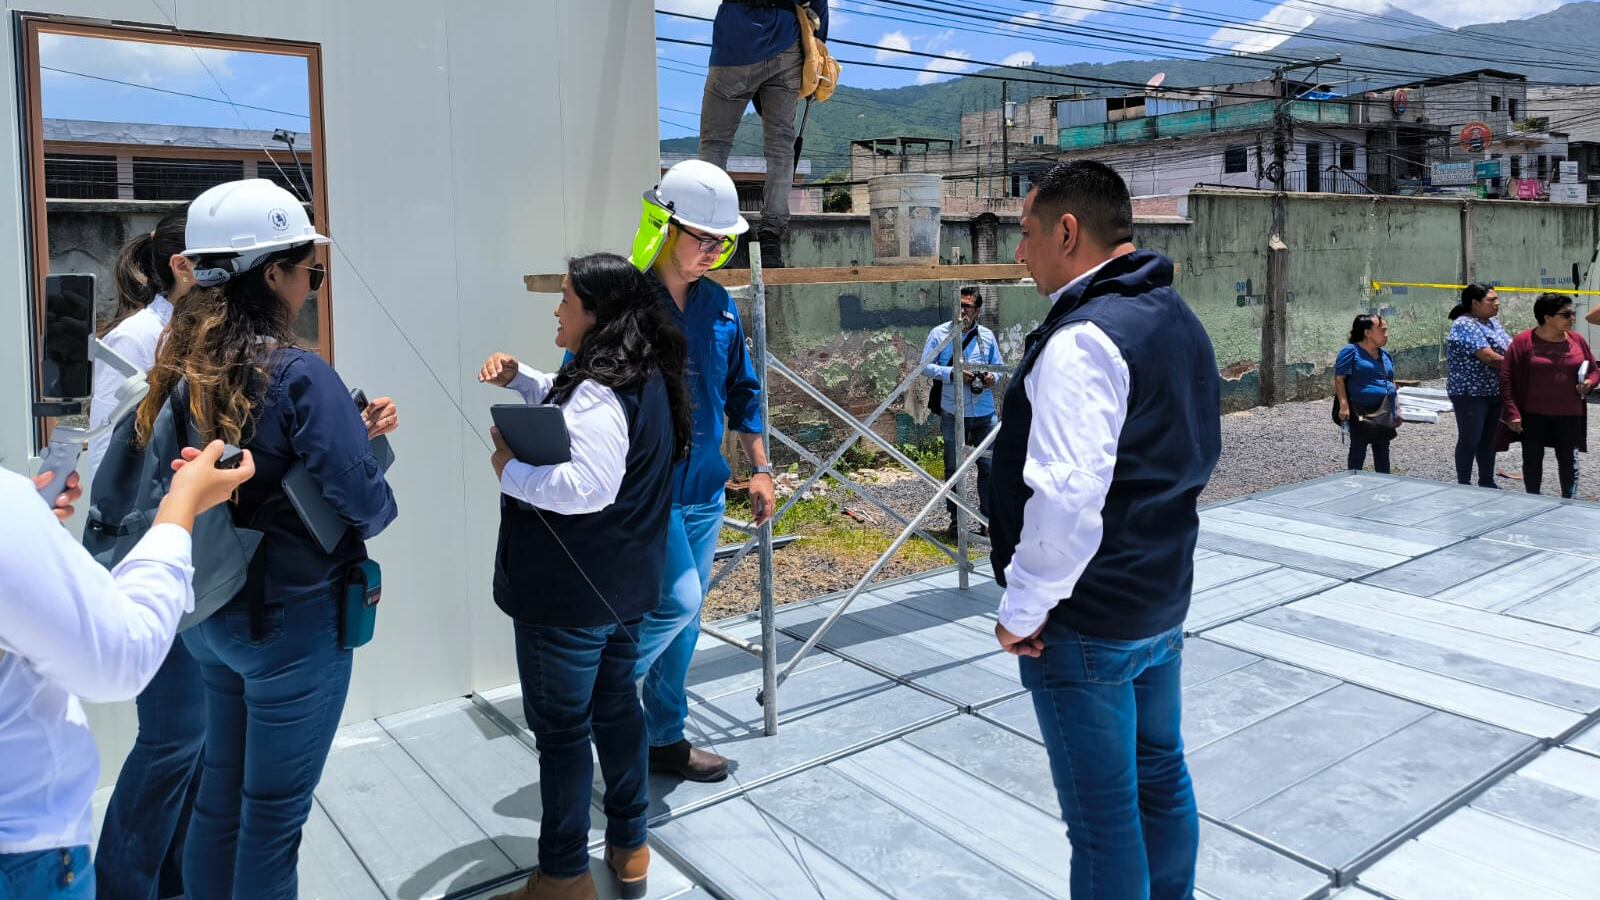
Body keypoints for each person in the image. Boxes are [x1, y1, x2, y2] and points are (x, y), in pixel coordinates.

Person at [142, 179, 399, 900]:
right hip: (292, 624)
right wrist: (362, 450)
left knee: (219, 802)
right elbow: (366, 505)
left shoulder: (179, 364)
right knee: (273, 819)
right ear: (272, 275)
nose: (312, 284)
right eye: (309, 271)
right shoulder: (297, 373)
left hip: (208, 612)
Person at [990, 160, 1221, 900]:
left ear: (1067, 231)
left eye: (1027, 236)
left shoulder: (1082, 340)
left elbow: (1065, 500)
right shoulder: (1175, 316)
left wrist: (1023, 608)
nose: (1020, 254)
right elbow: (1194, 454)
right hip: (1159, 597)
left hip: (1084, 621)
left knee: (1103, 819)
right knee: (1160, 777)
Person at [479, 252, 692, 900]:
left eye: (567, 298)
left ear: (596, 314)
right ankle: (630, 848)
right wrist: (523, 381)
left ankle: (564, 874)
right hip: (623, 591)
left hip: (569, 600)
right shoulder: (643, 374)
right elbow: (581, 412)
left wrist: (508, 470)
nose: (557, 307)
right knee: (615, 710)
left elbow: (586, 486)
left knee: (564, 733)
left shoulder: (601, 389)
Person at [1, 446, 255, 900]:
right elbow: (122, 658)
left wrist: (29, 539)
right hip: (22, 858)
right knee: (176, 741)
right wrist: (183, 507)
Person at [634, 160, 774, 783]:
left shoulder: (718, 306)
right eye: (703, 237)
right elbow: (576, 388)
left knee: (685, 625)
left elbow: (744, 392)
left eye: (723, 241)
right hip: (646, 495)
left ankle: (662, 740)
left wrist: (762, 469)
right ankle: (590, 701)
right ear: (664, 227)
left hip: (704, 493)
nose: (715, 250)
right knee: (670, 604)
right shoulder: (625, 303)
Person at [89, 209, 208, 900]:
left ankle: (177, 882)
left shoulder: (200, 337)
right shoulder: (138, 338)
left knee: (196, 743)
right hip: (152, 556)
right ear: (182, 267)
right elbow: (113, 454)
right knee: (173, 737)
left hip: (196, 554)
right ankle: (124, 887)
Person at [699, 0, 829, 268]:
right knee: (781, 144)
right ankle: (771, 232)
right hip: (786, 42)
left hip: (735, 40)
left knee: (715, 144)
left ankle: (711, 227)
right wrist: (815, 52)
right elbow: (819, 7)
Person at [919, 285, 1004, 536]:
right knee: (953, 468)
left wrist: (991, 378)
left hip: (984, 412)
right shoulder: (939, 334)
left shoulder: (986, 336)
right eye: (959, 305)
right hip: (952, 410)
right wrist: (953, 374)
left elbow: (999, 367)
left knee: (989, 468)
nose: (962, 311)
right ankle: (956, 521)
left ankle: (987, 520)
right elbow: (924, 366)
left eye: (967, 306)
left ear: (977, 310)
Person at [1500, 292, 1598, 498]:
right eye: (1566, 314)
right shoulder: (1523, 342)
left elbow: (1594, 369)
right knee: (1533, 459)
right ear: (1547, 318)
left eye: (1573, 313)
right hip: (1533, 415)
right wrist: (1512, 412)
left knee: (1569, 461)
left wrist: (1590, 382)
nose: (1572, 318)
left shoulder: (1577, 340)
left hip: (1569, 414)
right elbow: (1506, 379)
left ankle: (1568, 500)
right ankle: (1533, 499)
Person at [1446, 284, 1510, 488]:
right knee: (1470, 439)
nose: (1497, 303)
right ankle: (1463, 484)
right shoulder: (1464, 324)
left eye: (1497, 299)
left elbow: (1511, 347)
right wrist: (1520, 364)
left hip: (1492, 390)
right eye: (1491, 300)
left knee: (1489, 440)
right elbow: (1488, 357)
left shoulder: (1492, 322)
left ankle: (1487, 481)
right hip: (1470, 393)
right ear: (1474, 303)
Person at [1334, 314, 1398, 474]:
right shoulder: (1351, 352)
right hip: (1360, 409)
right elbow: (1339, 378)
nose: (1386, 334)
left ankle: (1383, 485)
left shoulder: (1385, 355)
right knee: (1358, 449)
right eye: (1382, 330)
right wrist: (1343, 406)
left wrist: (1397, 409)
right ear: (1368, 333)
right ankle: (1353, 482)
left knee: (1383, 450)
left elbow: (1391, 381)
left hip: (1384, 409)